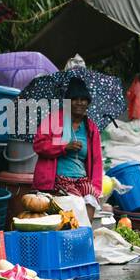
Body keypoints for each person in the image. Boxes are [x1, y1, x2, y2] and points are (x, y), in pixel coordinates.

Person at [33, 77, 103, 218]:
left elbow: (96, 161)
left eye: (83, 99)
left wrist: (96, 186)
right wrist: (64, 147)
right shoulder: (53, 119)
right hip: (59, 179)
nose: (79, 103)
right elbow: (39, 145)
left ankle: (85, 233)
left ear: (88, 103)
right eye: (74, 99)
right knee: (76, 202)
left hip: (82, 178)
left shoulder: (91, 128)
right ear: (67, 102)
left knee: (91, 196)